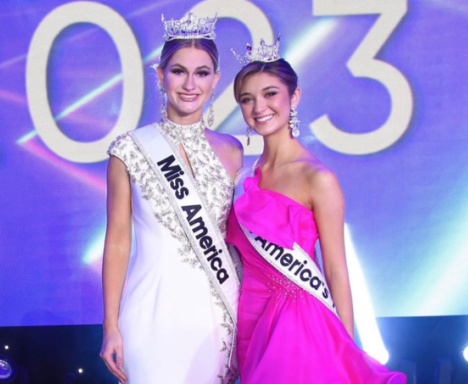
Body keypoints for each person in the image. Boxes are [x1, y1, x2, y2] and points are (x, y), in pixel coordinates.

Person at [226, 38, 406, 383]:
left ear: (294, 97)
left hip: (299, 318)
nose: (258, 106)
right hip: (249, 316)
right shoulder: (246, 175)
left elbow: (337, 270)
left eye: (270, 94)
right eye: (247, 99)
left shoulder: (317, 178)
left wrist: (346, 351)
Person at [99, 12, 242, 384]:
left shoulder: (232, 151)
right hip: (150, 314)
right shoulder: (129, 149)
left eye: (202, 72)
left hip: (216, 318)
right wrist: (110, 325)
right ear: (161, 76)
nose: (190, 84)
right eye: (179, 71)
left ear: (215, 81)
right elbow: (117, 241)